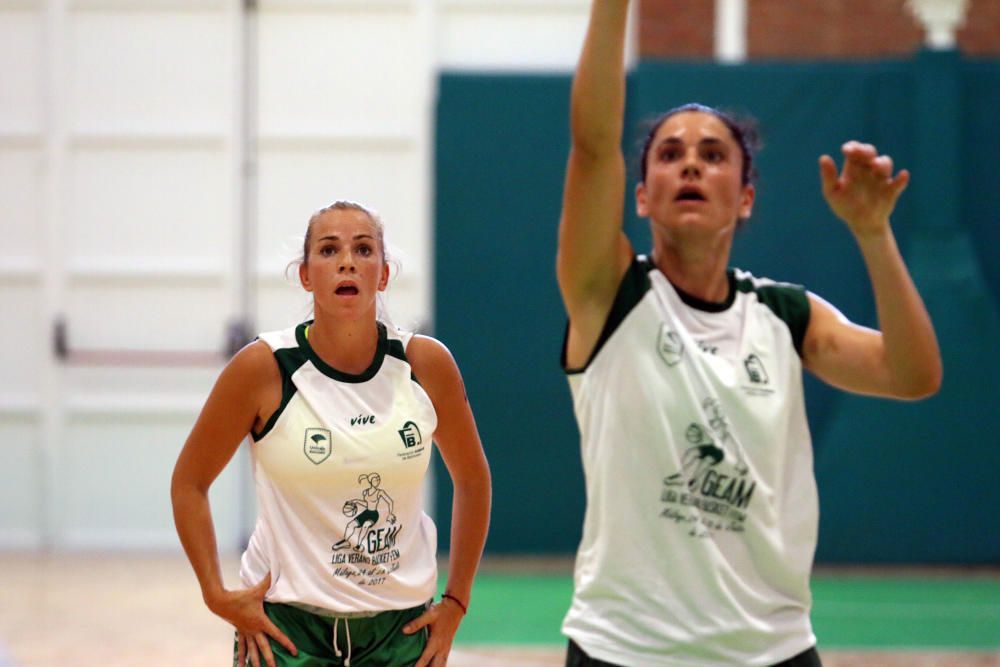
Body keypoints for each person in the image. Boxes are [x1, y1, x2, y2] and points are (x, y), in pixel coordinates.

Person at [556, 2, 942, 666]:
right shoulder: (609, 297)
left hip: (771, 651)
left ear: (746, 196)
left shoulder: (786, 317)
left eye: (713, 155)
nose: (691, 166)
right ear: (642, 195)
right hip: (625, 650)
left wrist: (875, 236)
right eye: (670, 154)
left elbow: (912, 374)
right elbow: (593, 146)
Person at [171, 201, 491, 667]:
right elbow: (188, 483)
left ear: (383, 275)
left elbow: (473, 480)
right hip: (285, 630)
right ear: (305, 275)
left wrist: (457, 602)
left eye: (364, 249)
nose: (347, 261)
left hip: (399, 632)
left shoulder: (426, 365)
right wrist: (214, 594)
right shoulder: (264, 368)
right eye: (328, 250)